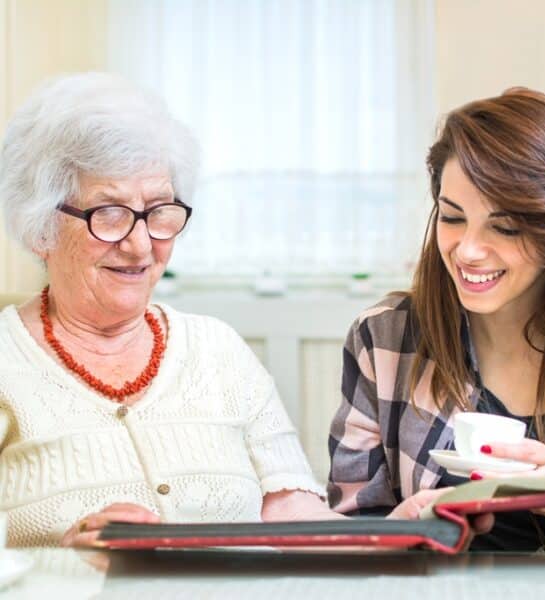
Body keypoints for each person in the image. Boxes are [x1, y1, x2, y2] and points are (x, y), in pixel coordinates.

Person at [0, 72, 336, 547]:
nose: (141, 246)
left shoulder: (218, 349)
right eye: (110, 214)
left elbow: (295, 517)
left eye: (159, 211)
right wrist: (63, 559)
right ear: (41, 227)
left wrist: (401, 535)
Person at [328, 88, 545, 551]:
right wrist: (405, 526)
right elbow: (352, 528)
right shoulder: (385, 339)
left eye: (506, 227)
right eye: (452, 218)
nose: (468, 250)